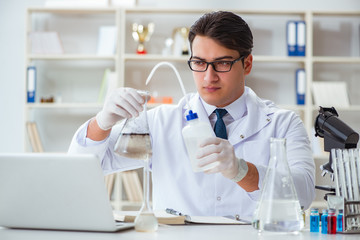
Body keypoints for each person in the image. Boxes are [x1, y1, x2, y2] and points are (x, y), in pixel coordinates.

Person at [69, 11, 315, 218]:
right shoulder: (159, 122)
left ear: (247, 64)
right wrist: (102, 122)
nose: (209, 77)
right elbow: (83, 168)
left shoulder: (283, 124)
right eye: (199, 63)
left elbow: (303, 196)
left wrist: (242, 171)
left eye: (222, 63)